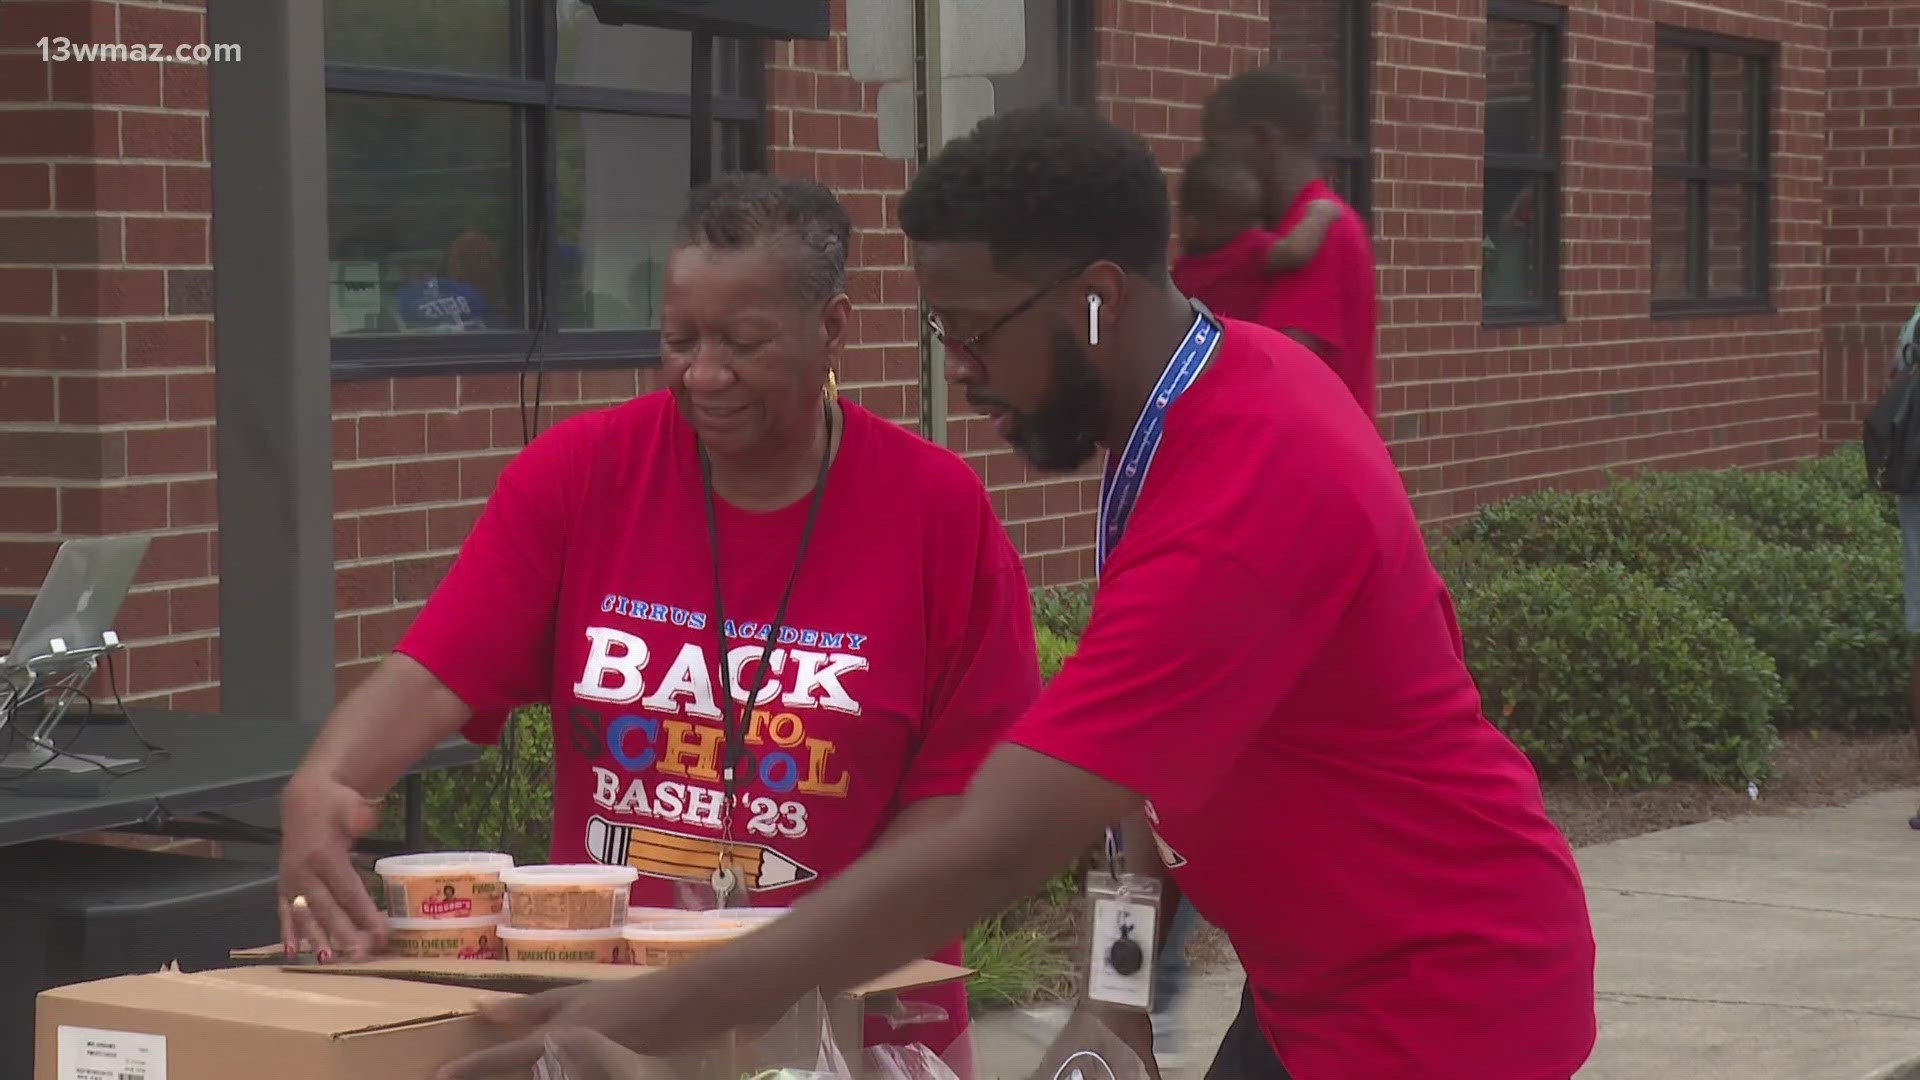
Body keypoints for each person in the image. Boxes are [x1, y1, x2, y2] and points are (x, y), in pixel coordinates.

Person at [428, 105, 1598, 1080]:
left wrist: (622, 1023)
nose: (960, 367)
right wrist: (1119, 1000)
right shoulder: (1195, 406)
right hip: (1315, 995)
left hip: (1442, 1010)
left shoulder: (1246, 486)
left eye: (974, 329)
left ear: (1095, 296)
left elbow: (996, 841)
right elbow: (1150, 772)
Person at [275, 172, 1043, 1070]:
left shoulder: (935, 512)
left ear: (832, 326)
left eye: (744, 341)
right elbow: (435, 670)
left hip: (857, 1020)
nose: (704, 373)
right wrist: (326, 783)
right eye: (678, 340)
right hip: (613, 1024)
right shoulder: (581, 475)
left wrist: (792, 959)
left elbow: (969, 806)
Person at [1201, 65, 1378, 419]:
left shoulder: (1319, 232)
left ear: (1264, 140)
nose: (1212, 167)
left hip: (1308, 466)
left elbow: (1282, 372)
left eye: (1219, 149)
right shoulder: (1273, 239)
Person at [1171, 147, 1342, 325]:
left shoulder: (1183, 271)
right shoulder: (1249, 248)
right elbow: (1295, 250)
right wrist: (1318, 215)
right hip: (1241, 342)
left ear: (1192, 225)